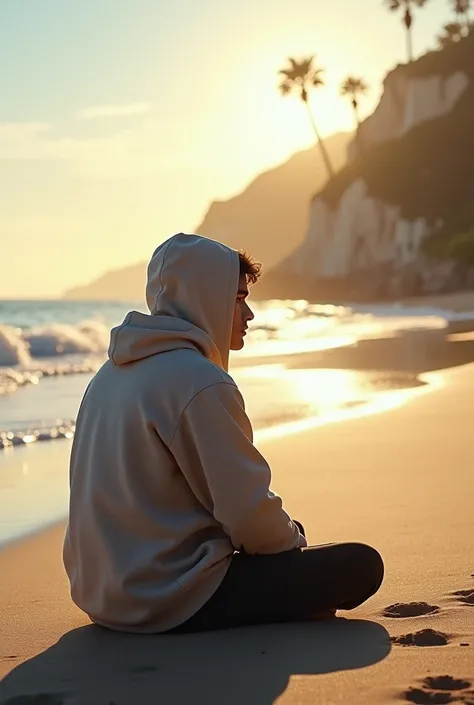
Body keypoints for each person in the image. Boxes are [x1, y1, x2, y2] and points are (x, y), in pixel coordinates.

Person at [63, 232, 384, 634]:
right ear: (205, 298)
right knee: (360, 565)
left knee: (286, 532)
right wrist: (288, 545)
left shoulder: (108, 374)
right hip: (170, 599)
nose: (248, 314)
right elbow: (247, 514)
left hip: (104, 596)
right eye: (236, 299)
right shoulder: (198, 380)